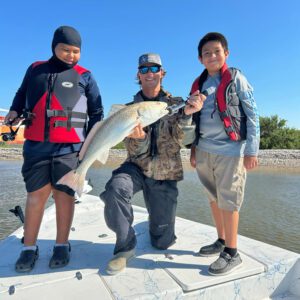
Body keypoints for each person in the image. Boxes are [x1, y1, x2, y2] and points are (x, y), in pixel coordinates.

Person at [5, 25, 104, 272]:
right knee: (36, 197)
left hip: (70, 150)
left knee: (64, 197)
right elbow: (20, 93)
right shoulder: (36, 69)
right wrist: (15, 110)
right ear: (54, 47)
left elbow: (97, 113)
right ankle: (29, 247)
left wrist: (87, 148)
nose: (71, 55)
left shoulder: (86, 76)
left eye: (76, 51)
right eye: (65, 49)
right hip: (36, 148)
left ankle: (62, 244)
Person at [100, 53, 205, 275]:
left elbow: (185, 142)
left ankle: (155, 224)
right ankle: (124, 247)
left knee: (162, 243)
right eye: (144, 69)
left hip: (166, 173)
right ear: (138, 75)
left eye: (154, 68)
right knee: (116, 189)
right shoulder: (126, 110)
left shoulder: (177, 105)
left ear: (162, 73)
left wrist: (188, 116)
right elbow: (131, 150)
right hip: (135, 168)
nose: (150, 73)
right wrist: (140, 139)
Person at [189, 32, 260, 276]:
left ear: (226, 53)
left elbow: (253, 115)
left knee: (229, 202)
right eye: (206, 53)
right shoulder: (197, 84)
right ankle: (221, 240)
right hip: (204, 151)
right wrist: (194, 150)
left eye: (216, 51)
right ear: (200, 59)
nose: (212, 56)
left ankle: (232, 252)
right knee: (213, 198)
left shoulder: (236, 78)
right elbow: (194, 121)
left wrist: (251, 150)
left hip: (231, 151)